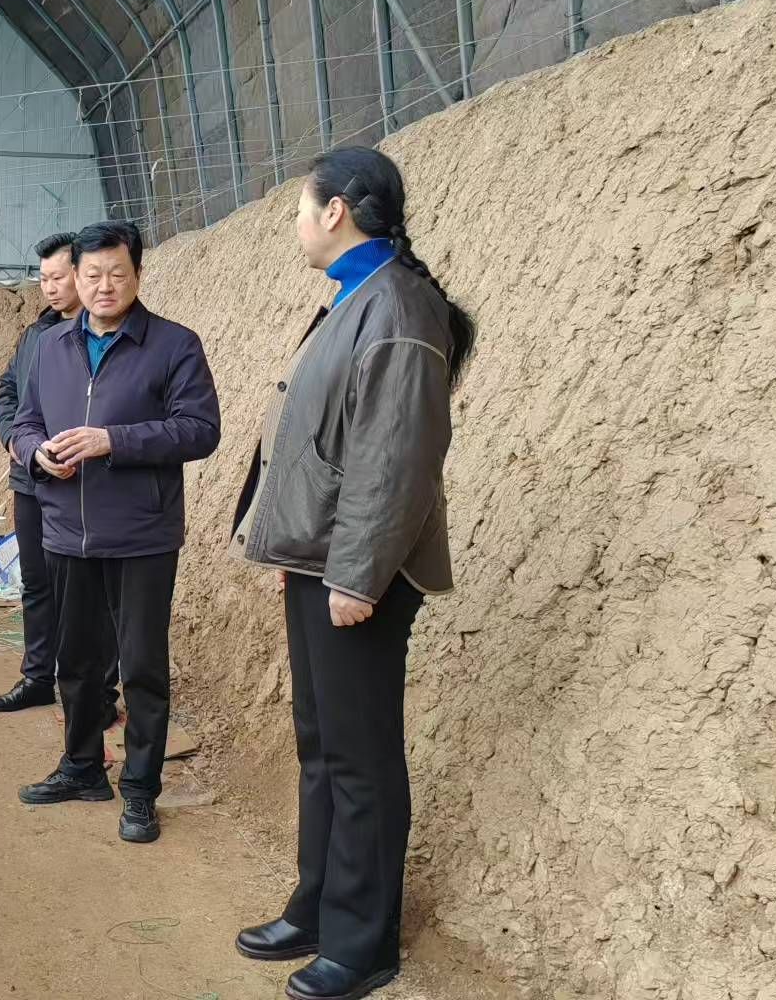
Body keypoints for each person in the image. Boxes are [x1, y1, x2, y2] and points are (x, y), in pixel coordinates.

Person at [227, 146, 475, 1000]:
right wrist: (305, 554)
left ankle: (363, 942)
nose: (297, 224)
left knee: (360, 757)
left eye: (301, 208)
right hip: (320, 556)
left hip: (356, 571)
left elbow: (395, 460)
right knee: (322, 744)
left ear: (336, 211)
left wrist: (359, 577)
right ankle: (318, 905)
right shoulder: (354, 297)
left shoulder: (398, 307)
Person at [9, 219, 221, 845]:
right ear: (75, 278)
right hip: (65, 529)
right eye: (93, 274)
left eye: (118, 274)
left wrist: (113, 441)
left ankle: (140, 789)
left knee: (142, 667)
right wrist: (35, 453)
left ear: (138, 275)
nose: (105, 286)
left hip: (141, 534)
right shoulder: (50, 347)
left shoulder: (174, 345)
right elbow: (24, 420)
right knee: (76, 662)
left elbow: (200, 430)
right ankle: (81, 767)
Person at [0, 232, 104, 713]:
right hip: (32, 479)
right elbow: (7, 393)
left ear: (80, 273)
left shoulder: (104, 333)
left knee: (89, 592)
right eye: (43, 280)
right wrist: (17, 443)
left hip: (87, 484)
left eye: (58, 278)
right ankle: (37, 677)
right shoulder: (35, 335)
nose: (50, 288)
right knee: (36, 583)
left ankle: (98, 690)